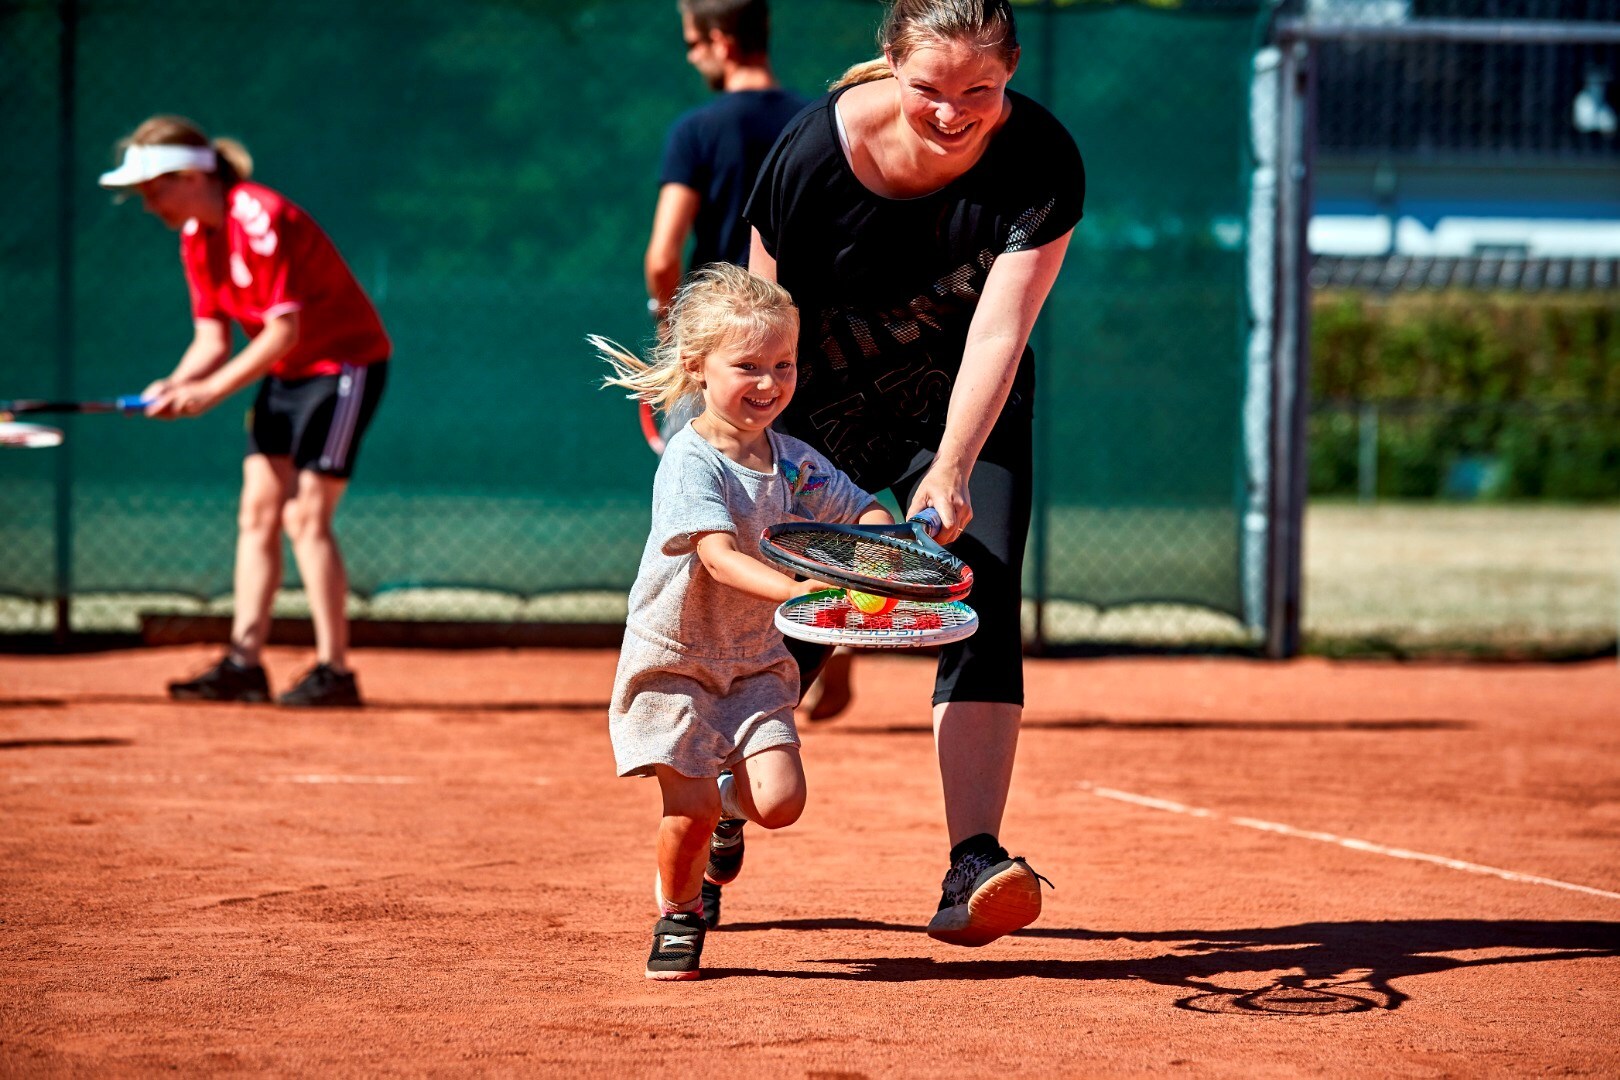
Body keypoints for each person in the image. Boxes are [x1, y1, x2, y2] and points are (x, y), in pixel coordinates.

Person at [744, 0, 1084, 946]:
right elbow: (755, 310)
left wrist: (955, 464)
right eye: (929, 88)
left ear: (1012, 69)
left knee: (985, 588)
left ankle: (972, 858)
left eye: (980, 88)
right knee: (797, 607)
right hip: (819, 408)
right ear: (890, 66)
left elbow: (1001, 326)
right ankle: (721, 803)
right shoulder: (814, 152)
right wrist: (748, 438)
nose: (952, 110)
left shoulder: (1043, 160)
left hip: (967, 405)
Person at [595, 264, 891, 980]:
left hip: (756, 662)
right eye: (748, 366)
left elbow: (864, 513)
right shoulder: (690, 463)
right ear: (698, 368)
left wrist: (882, 557)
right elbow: (720, 558)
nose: (769, 382)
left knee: (781, 804)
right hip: (676, 664)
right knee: (686, 814)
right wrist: (805, 589)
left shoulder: (795, 463)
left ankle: (736, 811)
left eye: (783, 365)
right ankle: (678, 914)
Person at [98, 116, 390, 708]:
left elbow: (283, 330)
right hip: (284, 373)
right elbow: (211, 339)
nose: (147, 204)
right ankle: (244, 663)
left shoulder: (258, 215)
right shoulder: (194, 237)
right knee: (256, 510)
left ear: (189, 176)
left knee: (304, 518)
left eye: (153, 189)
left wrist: (208, 395)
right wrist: (174, 384)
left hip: (343, 367)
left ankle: (335, 671)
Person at [644, 0, 808, 320]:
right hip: (796, 324)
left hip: (719, 325)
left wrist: (667, 323)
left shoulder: (696, 131)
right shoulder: (814, 122)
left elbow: (663, 259)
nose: (691, 57)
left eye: (693, 43)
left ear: (720, 43)